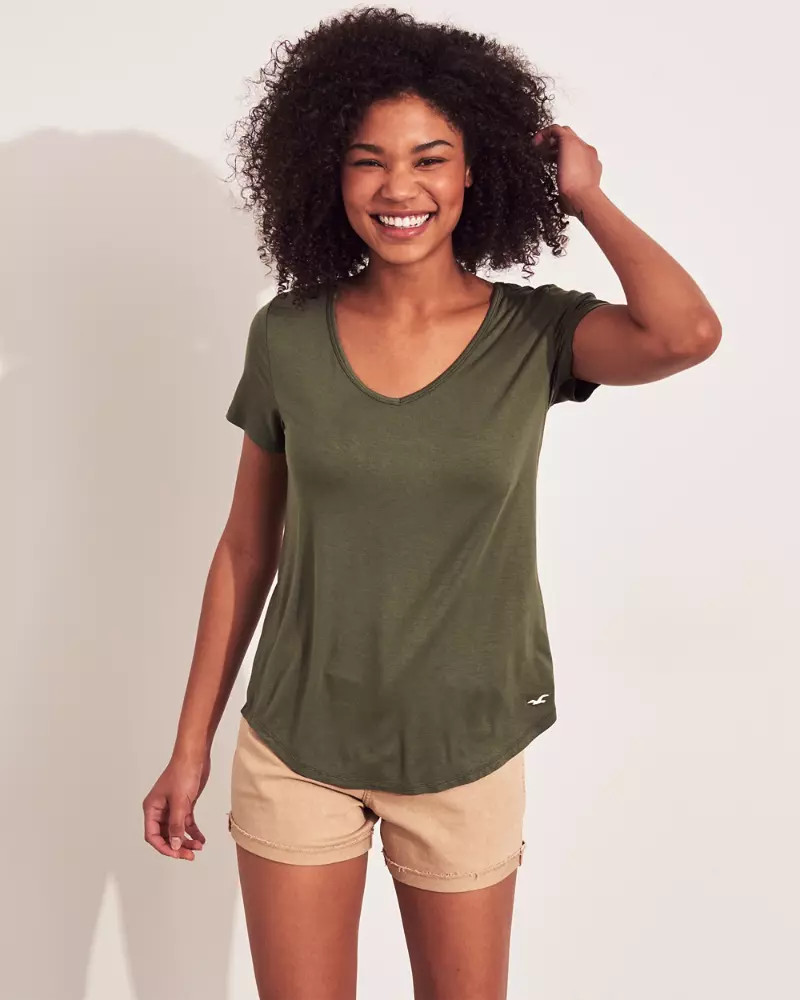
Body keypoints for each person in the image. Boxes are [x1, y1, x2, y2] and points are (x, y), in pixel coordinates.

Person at [142, 7, 721, 998]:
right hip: (296, 746)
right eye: (367, 161)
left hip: (466, 748)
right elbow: (244, 549)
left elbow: (685, 334)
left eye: (429, 158)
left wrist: (585, 196)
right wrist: (188, 745)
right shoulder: (287, 334)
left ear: (472, 173)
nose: (398, 188)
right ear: (328, 174)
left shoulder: (534, 333)